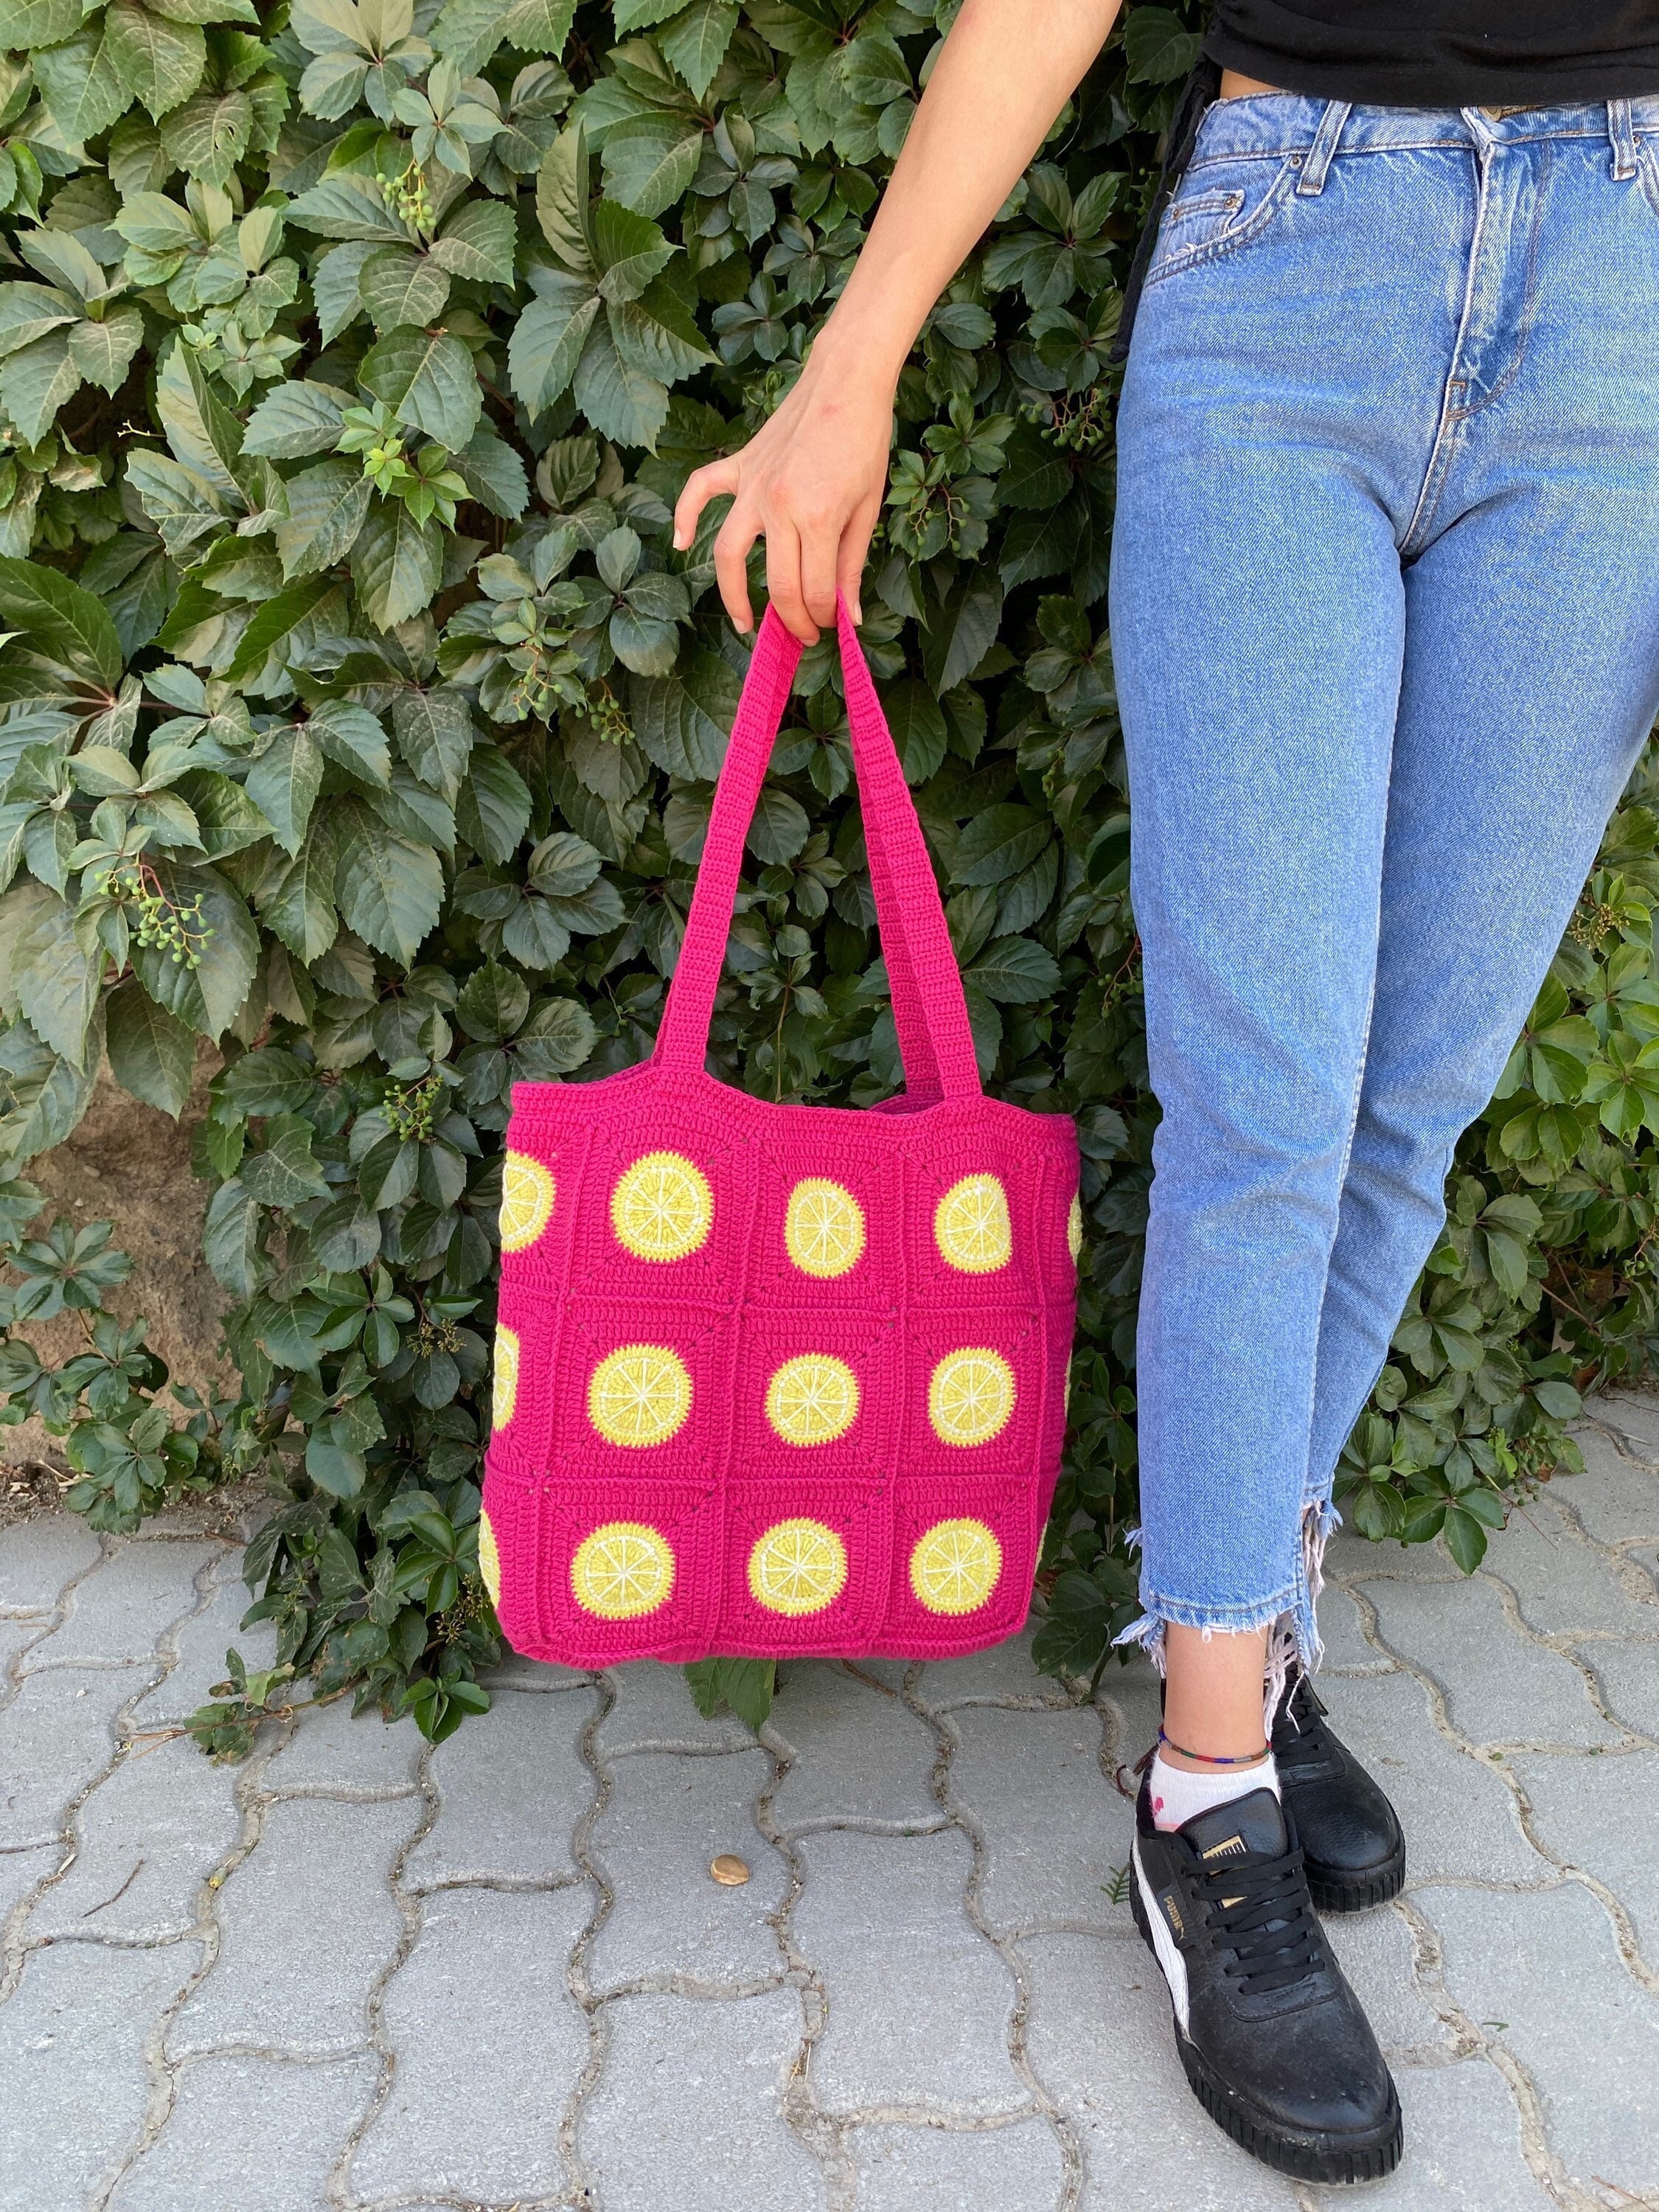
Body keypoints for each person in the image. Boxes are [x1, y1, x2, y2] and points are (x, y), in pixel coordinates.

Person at [674, 0, 1659, 2183]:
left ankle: (1248, 1614)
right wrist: (849, 373)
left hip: (1628, 284)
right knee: (1265, 1104)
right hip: (1291, 257)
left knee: (1410, 1097)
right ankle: (1202, 1788)